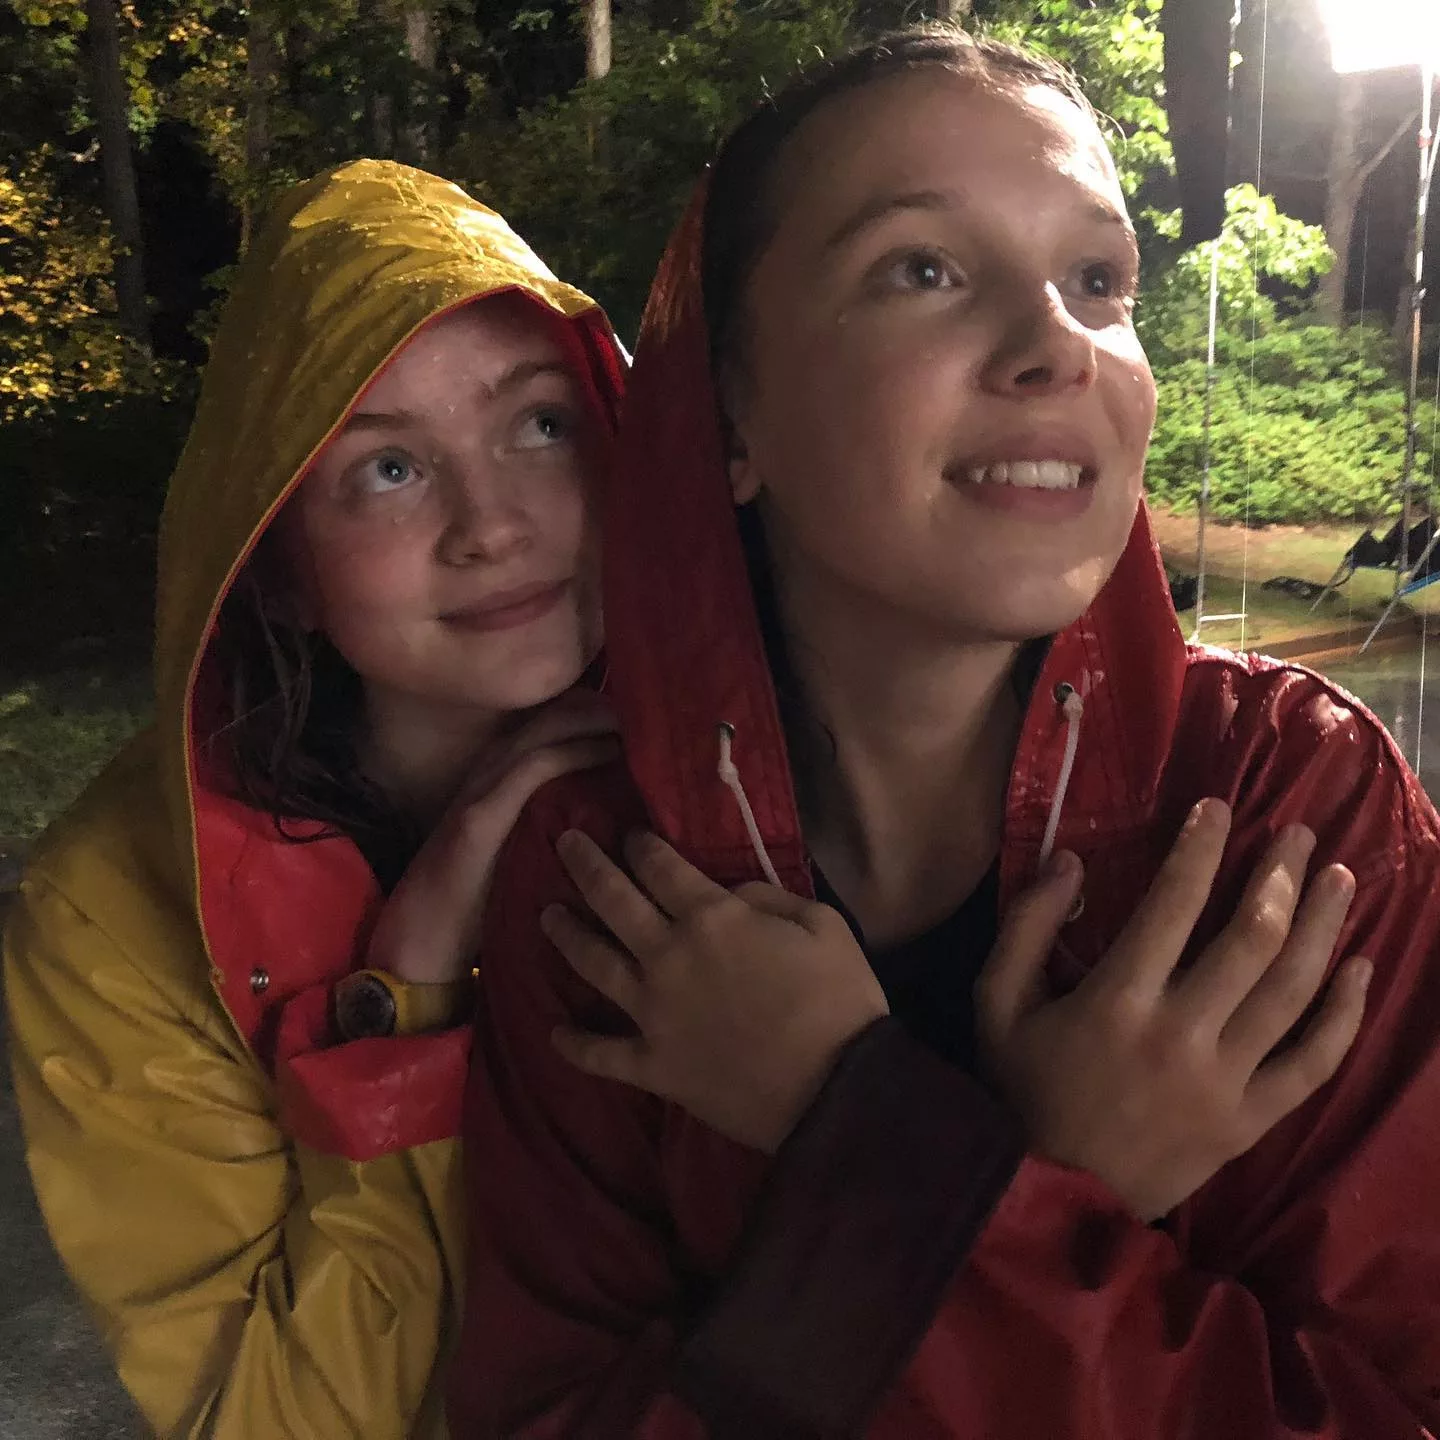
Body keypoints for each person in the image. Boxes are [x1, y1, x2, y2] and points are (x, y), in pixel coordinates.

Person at [449, 29, 1440, 1437]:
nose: (1057, 345)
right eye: (924, 270)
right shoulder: (610, 881)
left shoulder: (1293, 818)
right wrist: (1040, 1183)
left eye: (1099, 279)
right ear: (729, 410)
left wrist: (874, 1143)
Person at [2, 158, 626, 1438]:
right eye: (388, 470)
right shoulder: (114, 916)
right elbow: (265, 1419)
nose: (491, 524)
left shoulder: (759, 764)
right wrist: (405, 1002)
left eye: (542, 423)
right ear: (275, 568)